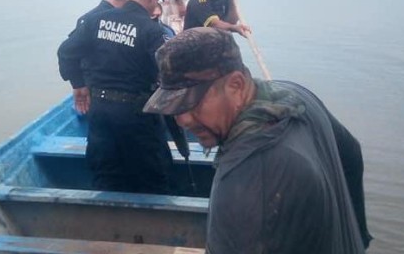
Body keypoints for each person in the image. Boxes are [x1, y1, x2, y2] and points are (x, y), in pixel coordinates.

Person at [144, 27, 372, 254]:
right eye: (174, 107)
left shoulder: (245, 182)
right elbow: (351, 153)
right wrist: (357, 238)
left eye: (191, 103)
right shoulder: (296, 97)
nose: (182, 120)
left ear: (236, 85)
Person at [57, 0, 173, 194]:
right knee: (153, 178)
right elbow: (171, 71)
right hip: (137, 116)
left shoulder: (95, 21)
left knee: (106, 175)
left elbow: (66, 52)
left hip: (99, 111)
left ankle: (107, 222)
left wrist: (78, 85)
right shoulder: (151, 31)